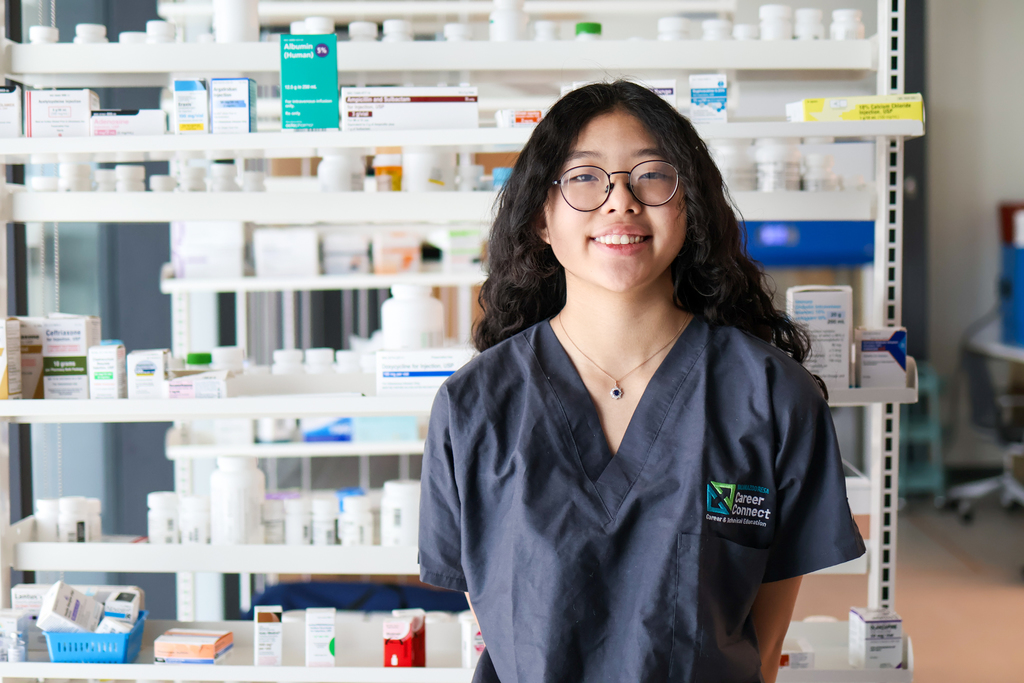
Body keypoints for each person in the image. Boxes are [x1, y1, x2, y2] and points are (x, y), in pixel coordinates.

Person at [418, 80, 865, 683]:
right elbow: (495, 619)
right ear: (541, 219)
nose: (620, 202)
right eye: (584, 178)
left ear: (691, 208)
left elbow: (763, 644)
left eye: (651, 175)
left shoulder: (774, 397)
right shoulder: (474, 407)